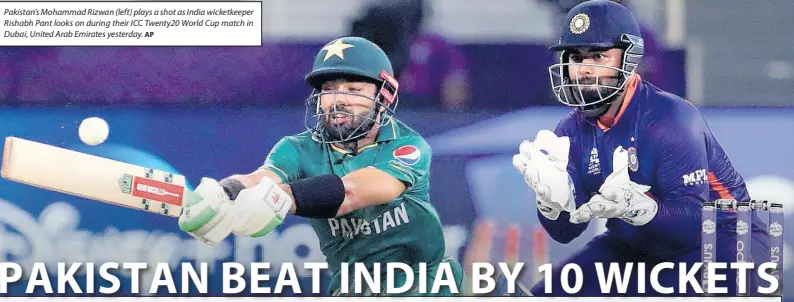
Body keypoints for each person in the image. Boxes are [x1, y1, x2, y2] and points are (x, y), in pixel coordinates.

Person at [511, 0, 771, 296]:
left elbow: (695, 223)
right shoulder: (569, 132)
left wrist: (642, 209)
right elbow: (566, 232)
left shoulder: (671, 119)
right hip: (638, 245)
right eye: (576, 57)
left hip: (724, 241)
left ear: (628, 59)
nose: (584, 70)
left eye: (598, 56)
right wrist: (552, 203)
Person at [177, 36, 463, 296]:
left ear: (383, 96)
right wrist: (224, 193)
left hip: (423, 283)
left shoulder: (408, 146)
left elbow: (353, 191)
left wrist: (279, 198)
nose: (338, 100)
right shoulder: (297, 148)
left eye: (354, 89)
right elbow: (261, 178)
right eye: (329, 89)